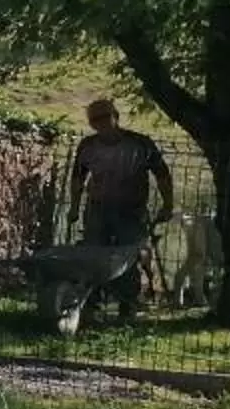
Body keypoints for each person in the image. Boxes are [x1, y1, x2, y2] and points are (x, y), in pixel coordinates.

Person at [66, 98, 174, 322]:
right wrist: (74, 207)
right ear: (91, 123)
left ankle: (128, 308)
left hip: (131, 210)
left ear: (116, 116)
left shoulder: (139, 143)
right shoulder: (87, 146)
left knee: (127, 258)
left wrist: (168, 204)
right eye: (95, 119)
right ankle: (91, 307)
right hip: (98, 208)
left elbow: (162, 174)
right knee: (93, 256)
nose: (101, 123)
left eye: (105, 117)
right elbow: (78, 177)